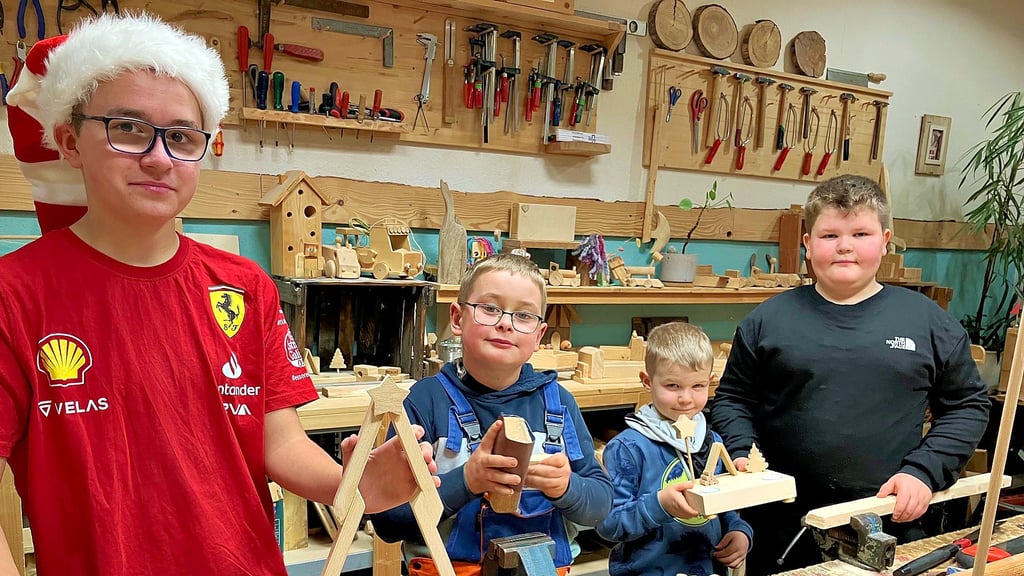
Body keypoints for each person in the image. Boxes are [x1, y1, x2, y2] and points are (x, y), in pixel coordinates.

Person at [0, 13, 436, 575]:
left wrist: (356, 483)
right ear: (70, 142)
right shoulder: (16, 295)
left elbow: (277, 446)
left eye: (181, 136)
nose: (159, 157)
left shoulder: (245, 286)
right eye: (127, 127)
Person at [710, 174, 990, 574]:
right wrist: (740, 452)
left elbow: (968, 405)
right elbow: (734, 399)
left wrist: (923, 472)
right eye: (829, 235)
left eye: (860, 232)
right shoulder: (767, 320)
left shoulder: (928, 322)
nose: (844, 246)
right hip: (779, 522)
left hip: (889, 517)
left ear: (885, 240)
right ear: (807, 244)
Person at [370, 254, 612, 575]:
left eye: (523, 315)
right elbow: (388, 520)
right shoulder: (425, 402)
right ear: (457, 318)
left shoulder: (559, 404)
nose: (505, 323)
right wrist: (466, 481)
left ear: (539, 336)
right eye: (489, 308)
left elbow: (601, 507)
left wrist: (566, 487)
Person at [597, 322, 752, 576]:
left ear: (710, 382)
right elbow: (609, 525)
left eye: (698, 386)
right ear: (647, 381)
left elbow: (726, 506)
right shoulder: (628, 448)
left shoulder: (713, 442)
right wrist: (660, 505)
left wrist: (739, 530)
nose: (686, 399)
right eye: (673, 386)